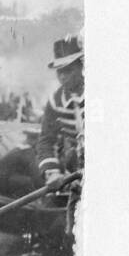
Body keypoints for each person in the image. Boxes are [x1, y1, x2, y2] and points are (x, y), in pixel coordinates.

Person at [37, 35, 84, 185]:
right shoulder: (55, 101)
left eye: (68, 70)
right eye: (59, 72)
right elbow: (46, 141)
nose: (62, 77)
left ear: (82, 67)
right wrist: (52, 172)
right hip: (76, 176)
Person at [0, 125, 43, 198]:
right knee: (29, 181)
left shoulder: (17, 150)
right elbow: (35, 173)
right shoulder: (27, 152)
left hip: (1, 180)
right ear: (34, 141)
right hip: (6, 183)